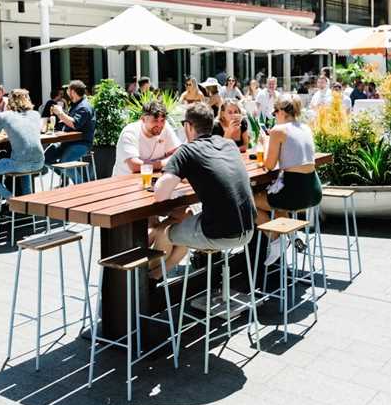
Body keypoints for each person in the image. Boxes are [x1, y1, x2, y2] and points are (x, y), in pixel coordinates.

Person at [150, 102, 256, 277]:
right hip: (248, 227)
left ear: (188, 126)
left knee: (164, 231)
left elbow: (160, 195)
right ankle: (156, 277)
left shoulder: (187, 150)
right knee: (183, 231)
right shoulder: (228, 145)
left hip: (221, 232)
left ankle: (144, 282)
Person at [254, 97, 322, 265]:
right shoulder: (305, 127)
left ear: (282, 112)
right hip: (313, 191)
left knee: (247, 202)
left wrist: (265, 141)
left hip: (293, 194)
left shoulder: (278, 130)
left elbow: (269, 166)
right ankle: (292, 234)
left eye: (274, 112)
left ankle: (277, 239)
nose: (274, 116)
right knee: (274, 201)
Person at [0, 89, 44, 200]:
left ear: (10, 101)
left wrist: (1, 139)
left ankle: (9, 197)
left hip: (19, 164)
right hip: (39, 162)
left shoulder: (5, 116)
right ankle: (29, 204)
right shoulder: (35, 114)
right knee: (25, 164)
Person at [44, 79, 96, 181]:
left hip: (81, 143)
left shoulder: (84, 107)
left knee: (65, 163)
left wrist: (60, 113)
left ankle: (81, 187)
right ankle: (64, 174)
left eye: (68, 90)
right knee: (44, 158)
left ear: (72, 91)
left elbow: (75, 124)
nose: (67, 93)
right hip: (67, 142)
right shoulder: (76, 104)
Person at [112, 100, 180, 176]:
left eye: (162, 120)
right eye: (155, 120)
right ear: (143, 119)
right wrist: (165, 162)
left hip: (154, 178)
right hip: (124, 181)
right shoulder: (130, 132)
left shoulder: (165, 127)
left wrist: (149, 165)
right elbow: (135, 166)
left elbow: (177, 153)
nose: (159, 125)